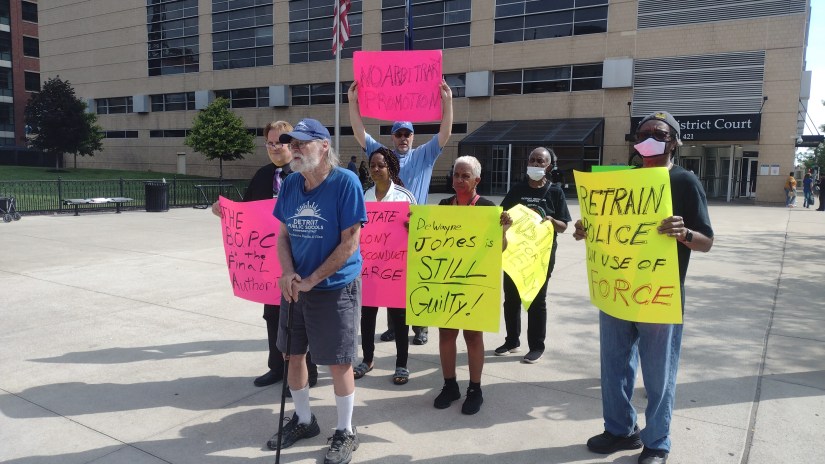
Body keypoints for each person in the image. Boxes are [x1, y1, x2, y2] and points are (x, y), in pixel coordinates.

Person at [574, 111, 713, 464]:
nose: (650, 138)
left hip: (659, 295)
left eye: (659, 133)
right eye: (643, 132)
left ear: (675, 142)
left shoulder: (684, 181)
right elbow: (603, 226)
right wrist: (586, 229)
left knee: (658, 375)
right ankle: (620, 429)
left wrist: (684, 233)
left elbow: (707, 241)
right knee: (614, 366)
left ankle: (657, 442)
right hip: (617, 288)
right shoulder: (621, 180)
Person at [267, 118, 367, 464]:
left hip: (335, 288)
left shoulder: (346, 182)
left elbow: (350, 242)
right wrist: (289, 273)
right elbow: (282, 236)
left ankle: (345, 431)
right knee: (292, 355)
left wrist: (312, 279)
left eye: (302, 143)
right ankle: (304, 420)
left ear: (324, 146)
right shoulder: (291, 184)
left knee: (339, 362)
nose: (294, 148)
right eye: (291, 143)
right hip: (296, 287)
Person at [211, 120, 317, 389]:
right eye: (269, 143)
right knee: (273, 316)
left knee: (302, 318)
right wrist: (225, 211)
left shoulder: (305, 174)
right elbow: (246, 213)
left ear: (292, 143)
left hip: (302, 258)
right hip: (269, 262)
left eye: (280, 142)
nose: (274, 147)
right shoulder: (262, 176)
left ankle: (308, 371)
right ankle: (277, 367)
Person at [348, 78, 454, 346]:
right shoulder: (383, 156)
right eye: (399, 134)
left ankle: (420, 327)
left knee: (417, 280)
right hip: (387, 231)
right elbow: (360, 133)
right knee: (390, 278)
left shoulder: (425, 154)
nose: (403, 138)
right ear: (392, 137)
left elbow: (444, 134)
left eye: (407, 134)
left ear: (413, 136)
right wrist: (352, 103)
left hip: (415, 229)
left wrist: (448, 103)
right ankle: (394, 327)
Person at [431, 155, 512, 415]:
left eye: (465, 176)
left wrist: (503, 232)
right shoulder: (443, 206)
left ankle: (475, 389)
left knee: (473, 336)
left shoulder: (488, 208)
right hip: (447, 280)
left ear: (477, 180)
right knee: (446, 333)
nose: (459, 180)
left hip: (475, 282)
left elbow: (499, 249)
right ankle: (450, 385)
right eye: (456, 175)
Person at [496, 147, 571, 363]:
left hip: (541, 257)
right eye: (532, 160)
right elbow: (501, 214)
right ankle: (512, 341)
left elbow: (564, 226)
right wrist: (504, 219)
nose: (535, 164)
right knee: (511, 299)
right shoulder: (517, 190)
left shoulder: (555, 192)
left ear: (549, 166)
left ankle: (537, 346)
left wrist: (552, 221)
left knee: (537, 301)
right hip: (514, 254)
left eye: (540, 161)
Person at [353, 147, 417, 385]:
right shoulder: (364, 196)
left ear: (391, 167)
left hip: (396, 267)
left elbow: (418, 228)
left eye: (381, 165)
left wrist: (412, 227)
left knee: (399, 318)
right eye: (372, 165)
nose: (376, 169)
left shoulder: (404, 196)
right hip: (369, 267)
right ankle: (367, 359)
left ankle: (401, 364)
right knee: (367, 315)